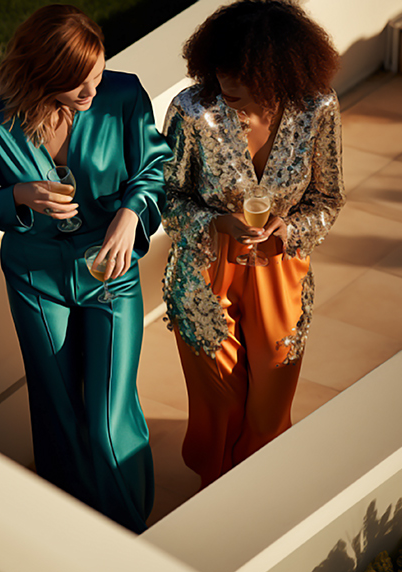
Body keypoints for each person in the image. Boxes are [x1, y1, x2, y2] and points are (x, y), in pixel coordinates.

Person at [0, 4, 172, 533]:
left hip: (110, 271)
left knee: (110, 416)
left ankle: (130, 532)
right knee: (58, 408)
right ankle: (75, 532)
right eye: (76, 83)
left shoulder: (121, 94)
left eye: (96, 74)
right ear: (39, 74)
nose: (91, 91)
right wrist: (16, 195)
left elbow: (156, 167)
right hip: (34, 278)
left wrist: (129, 216)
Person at [162, 0, 345, 489]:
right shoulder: (192, 111)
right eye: (220, 67)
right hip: (203, 272)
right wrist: (217, 223)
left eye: (241, 72)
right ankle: (217, 493)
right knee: (219, 402)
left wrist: (293, 231)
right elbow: (167, 197)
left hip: (282, 273)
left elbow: (328, 196)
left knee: (269, 406)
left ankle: (261, 492)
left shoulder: (317, 107)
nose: (226, 82)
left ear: (277, 71)